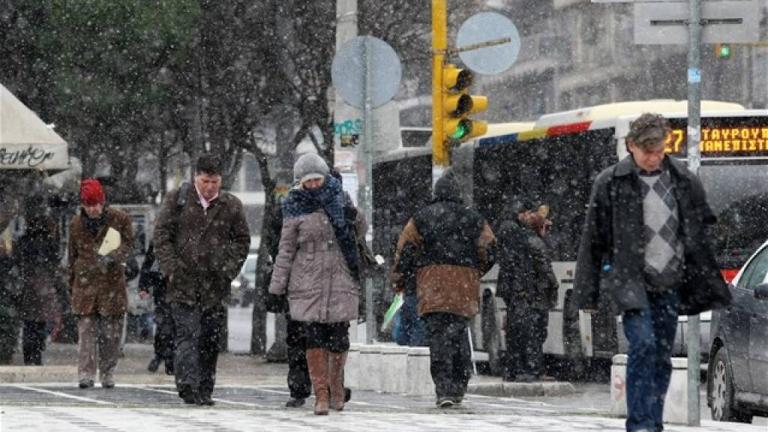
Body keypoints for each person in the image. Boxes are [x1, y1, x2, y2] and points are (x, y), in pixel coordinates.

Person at [574, 113, 731, 432]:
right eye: (647, 151)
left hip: (671, 282)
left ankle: (653, 422)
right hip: (632, 282)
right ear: (631, 146)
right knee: (643, 344)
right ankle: (639, 424)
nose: (653, 157)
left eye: (658, 150)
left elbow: (701, 229)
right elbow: (593, 240)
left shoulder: (682, 179)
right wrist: (587, 293)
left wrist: (703, 272)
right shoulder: (611, 182)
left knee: (660, 355)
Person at [390, 170, 495, 408]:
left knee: (438, 337)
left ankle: (443, 389)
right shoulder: (474, 218)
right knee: (459, 334)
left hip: (432, 283)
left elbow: (405, 250)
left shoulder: (421, 218)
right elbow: (490, 250)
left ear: (436, 194)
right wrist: (475, 271)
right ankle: (459, 384)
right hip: (464, 285)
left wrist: (401, 279)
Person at [269, 153, 362, 415]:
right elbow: (285, 251)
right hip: (306, 282)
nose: (313, 185)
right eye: (307, 181)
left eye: (317, 179)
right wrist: (276, 288)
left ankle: (336, 387)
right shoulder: (293, 206)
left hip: (339, 278)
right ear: (300, 182)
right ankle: (321, 395)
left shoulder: (341, 198)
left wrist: (353, 216)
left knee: (339, 338)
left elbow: (359, 232)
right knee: (313, 338)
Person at [154, 153, 250, 406]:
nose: (210, 187)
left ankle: (205, 387)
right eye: (206, 181)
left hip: (215, 285)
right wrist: (171, 268)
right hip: (182, 282)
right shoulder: (178, 200)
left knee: (209, 339)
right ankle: (187, 384)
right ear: (196, 177)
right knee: (187, 335)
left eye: (214, 182)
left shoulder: (231, 206)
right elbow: (161, 235)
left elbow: (242, 242)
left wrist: (228, 269)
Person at [68, 179, 134, 389]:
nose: (93, 209)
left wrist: (115, 256)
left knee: (110, 334)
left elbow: (129, 244)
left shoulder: (120, 219)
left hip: (111, 284)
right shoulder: (76, 224)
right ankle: (86, 374)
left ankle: (107, 371)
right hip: (85, 285)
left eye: (96, 204)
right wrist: (73, 284)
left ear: (103, 202)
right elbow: (72, 256)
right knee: (86, 333)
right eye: (88, 205)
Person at [495, 199, 558, 382]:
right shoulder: (528, 239)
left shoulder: (513, 231)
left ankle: (516, 369)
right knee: (532, 331)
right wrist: (552, 286)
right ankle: (529, 369)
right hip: (528, 292)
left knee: (519, 330)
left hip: (519, 290)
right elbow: (543, 268)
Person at [14, 198, 61, 365]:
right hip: (43, 284)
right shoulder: (48, 241)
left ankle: (30, 355)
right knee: (39, 322)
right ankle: (36, 354)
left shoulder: (24, 241)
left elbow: (18, 259)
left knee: (30, 324)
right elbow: (54, 259)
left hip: (29, 285)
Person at [139, 242, 174, 375]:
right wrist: (144, 286)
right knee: (164, 326)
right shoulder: (160, 240)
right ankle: (163, 355)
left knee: (172, 326)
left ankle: (167, 356)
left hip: (177, 289)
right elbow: (148, 264)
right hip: (163, 290)